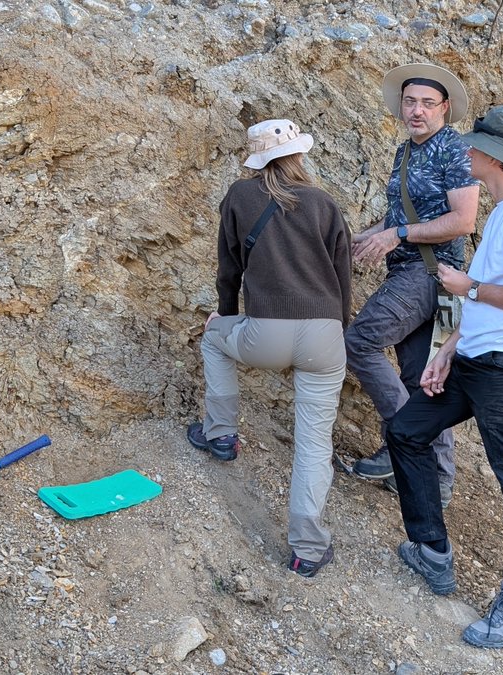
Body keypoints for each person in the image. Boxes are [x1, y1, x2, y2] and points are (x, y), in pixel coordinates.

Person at [385, 106, 503, 649]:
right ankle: (432, 550)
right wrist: (446, 350)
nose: (465, 152)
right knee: (406, 431)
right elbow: (485, 297)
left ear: (493, 157)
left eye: (474, 147)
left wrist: (469, 288)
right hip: (475, 358)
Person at [186, 119, 352, 578]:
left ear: (256, 160)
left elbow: (229, 266)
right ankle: (308, 550)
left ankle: (220, 434)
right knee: (314, 444)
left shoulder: (240, 197)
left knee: (215, 341)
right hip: (324, 335)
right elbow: (342, 275)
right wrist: (339, 327)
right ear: (299, 154)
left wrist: (223, 312)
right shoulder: (323, 203)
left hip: (265, 332)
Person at [345, 63, 480, 506]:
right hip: (416, 274)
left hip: (432, 275)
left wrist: (396, 236)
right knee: (425, 380)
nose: (416, 110)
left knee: (359, 342)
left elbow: (462, 221)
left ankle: (402, 441)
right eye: (409, 101)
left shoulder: (453, 151)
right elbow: (403, 214)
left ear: (444, 108)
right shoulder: (406, 151)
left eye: (426, 103)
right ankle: (435, 484)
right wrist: (370, 234)